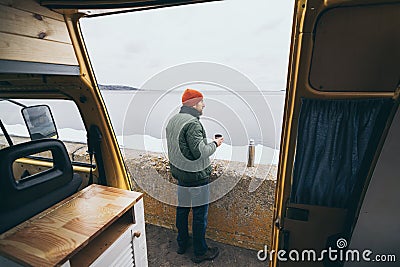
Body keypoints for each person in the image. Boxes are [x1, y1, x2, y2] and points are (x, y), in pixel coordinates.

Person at [166, 88, 223, 263]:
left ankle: (182, 243)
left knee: (182, 211)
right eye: (201, 102)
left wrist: (204, 142)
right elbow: (201, 152)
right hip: (196, 178)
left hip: (181, 176)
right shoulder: (193, 123)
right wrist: (215, 143)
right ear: (193, 104)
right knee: (199, 215)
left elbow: (185, 147)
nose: (203, 105)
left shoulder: (174, 120)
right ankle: (200, 252)